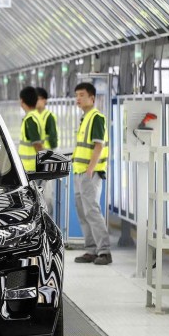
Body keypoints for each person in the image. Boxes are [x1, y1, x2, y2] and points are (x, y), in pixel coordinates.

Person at [71, 82, 111, 266]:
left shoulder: (96, 117)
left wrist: (90, 170)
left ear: (92, 98)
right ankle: (91, 249)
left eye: (82, 95)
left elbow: (99, 145)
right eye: (76, 95)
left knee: (92, 212)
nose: (78, 98)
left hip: (89, 173)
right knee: (83, 213)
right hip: (79, 173)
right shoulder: (85, 117)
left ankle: (104, 251)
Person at [35, 87, 60, 215]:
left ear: (44, 100)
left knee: (46, 198)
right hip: (33, 165)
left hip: (45, 164)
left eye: (37, 98)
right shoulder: (31, 116)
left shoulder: (48, 117)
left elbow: (54, 142)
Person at [17, 86, 43, 174]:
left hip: (31, 168)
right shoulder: (37, 115)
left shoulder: (30, 120)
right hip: (34, 167)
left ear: (22, 101)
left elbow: (37, 144)